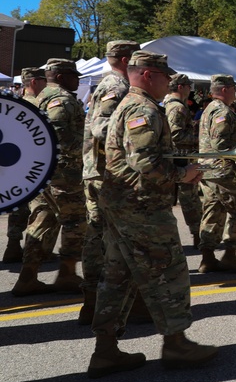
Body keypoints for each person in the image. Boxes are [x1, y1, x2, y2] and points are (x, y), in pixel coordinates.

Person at [88, 50, 216, 377]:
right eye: (165, 75)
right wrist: (181, 175)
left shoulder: (133, 105)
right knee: (169, 271)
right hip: (141, 207)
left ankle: (105, 350)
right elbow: (143, 163)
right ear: (147, 74)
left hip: (123, 205)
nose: (170, 81)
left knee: (119, 277)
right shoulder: (141, 108)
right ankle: (176, 343)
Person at [79, 39, 142, 325]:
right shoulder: (117, 87)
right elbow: (101, 127)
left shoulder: (108, 84)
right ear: (128, 59)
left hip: (101, 172)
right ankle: (98, 305)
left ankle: (98, 304)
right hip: (106, 174)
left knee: (102, 238)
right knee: (110, 240)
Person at [12, 59, 86, 297]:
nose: (78, 80)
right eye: (74, 75)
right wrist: (89, 145)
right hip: (64, 174)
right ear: (62, 77)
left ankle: (28, 277)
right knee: (75, 222)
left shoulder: (42, 97)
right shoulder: (61, 100)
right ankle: (67, 273)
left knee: (43, 220)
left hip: (47, 174)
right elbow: (57, 139)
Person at [197, 74, 236, 273]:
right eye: (233, 88)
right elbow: (220, 143)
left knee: (214, 212)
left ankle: (207, 258)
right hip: (223, 171)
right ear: (224, 90)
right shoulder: (222, 111)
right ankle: (230, 254)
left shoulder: (208, 110)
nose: (235, 92)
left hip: (208, 170)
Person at [1, 66, 47, 265]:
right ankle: (34, 250)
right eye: (43, 81)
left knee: (18, 207)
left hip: (13, 166)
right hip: (31, 165)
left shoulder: (15, 104)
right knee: (36, 209)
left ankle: (13, 245)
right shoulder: (35, 105)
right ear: (35, 82)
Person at [165, 74, 202, 247]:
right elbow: (176, 135)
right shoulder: (177, 108)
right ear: (180, 87)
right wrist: (197, 136)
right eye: (188, 85)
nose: (190, 89)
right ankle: (197, 235)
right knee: (190, 200)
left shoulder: (171, 105)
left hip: (178, 158)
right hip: (180, 159)